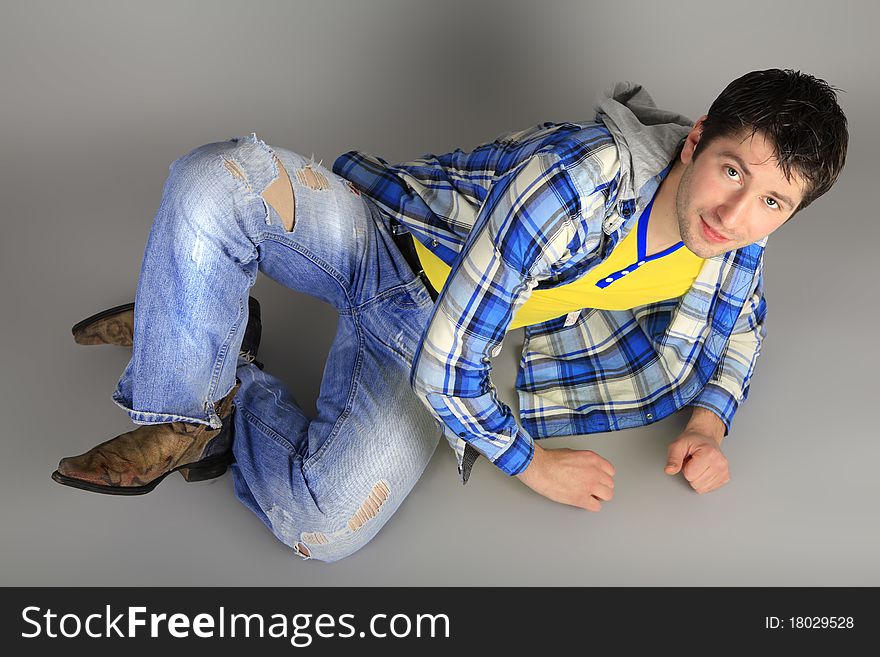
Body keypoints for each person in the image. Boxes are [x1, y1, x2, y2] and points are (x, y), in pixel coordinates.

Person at [52, 68, 848, 562]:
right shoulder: (577, 182)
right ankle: (176, 406)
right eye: (731, 170)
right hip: (385, 236)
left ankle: (214, 353)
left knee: (321, 526)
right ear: (696, 142)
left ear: (788, 210)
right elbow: (453, 362)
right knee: (215, 180)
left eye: (772, 200)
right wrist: (531, 463)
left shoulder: (737, 240)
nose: (735, 209)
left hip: (425, 321)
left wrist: (710, 421)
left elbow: (742, 327)